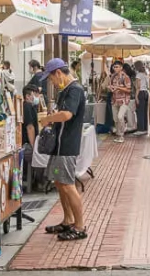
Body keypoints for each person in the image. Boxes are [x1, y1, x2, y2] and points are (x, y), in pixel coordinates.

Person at [39, 59, 87, 241]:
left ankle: (80, 226)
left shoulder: (74, 90)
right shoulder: (65, 90)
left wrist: (48, 119)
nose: (51, 82)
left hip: (66, 146)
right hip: (59, 146)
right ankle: (68, 221)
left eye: (51, 78)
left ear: (58, 73)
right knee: (60, 182)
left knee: (68, 185)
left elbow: (67, 114)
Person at [21, 84, 42, 191]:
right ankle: (41, 182)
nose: (37, 97)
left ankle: (38, 181)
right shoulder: (27, 107)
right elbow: (30, 127)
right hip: (27, 145)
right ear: (28, 96)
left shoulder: (30, 106)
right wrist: (34, 146)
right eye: (36, 94)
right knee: (43, 156)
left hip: (29, 143)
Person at [109, 61, 132, 143]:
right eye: (114, 67)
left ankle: (121, 135)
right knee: (115, 119)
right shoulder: (112, 77)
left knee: (120, 116)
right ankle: (118, 135)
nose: (115, 68)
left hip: (124, 101)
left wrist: (118, 88)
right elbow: (111, 86)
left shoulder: (125, 77)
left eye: (117, 67)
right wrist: (111, 88)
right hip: (115, 100)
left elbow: (129, 90)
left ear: (121, 67)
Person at [134, 61, 150, 134]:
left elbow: (138, 86)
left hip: (140, 93)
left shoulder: (138, 75)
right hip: (146, 93)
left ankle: (140, 129)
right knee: (144, 111)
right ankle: (145, 128)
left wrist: (136, 96)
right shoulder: (145, 74)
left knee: (140, 111)